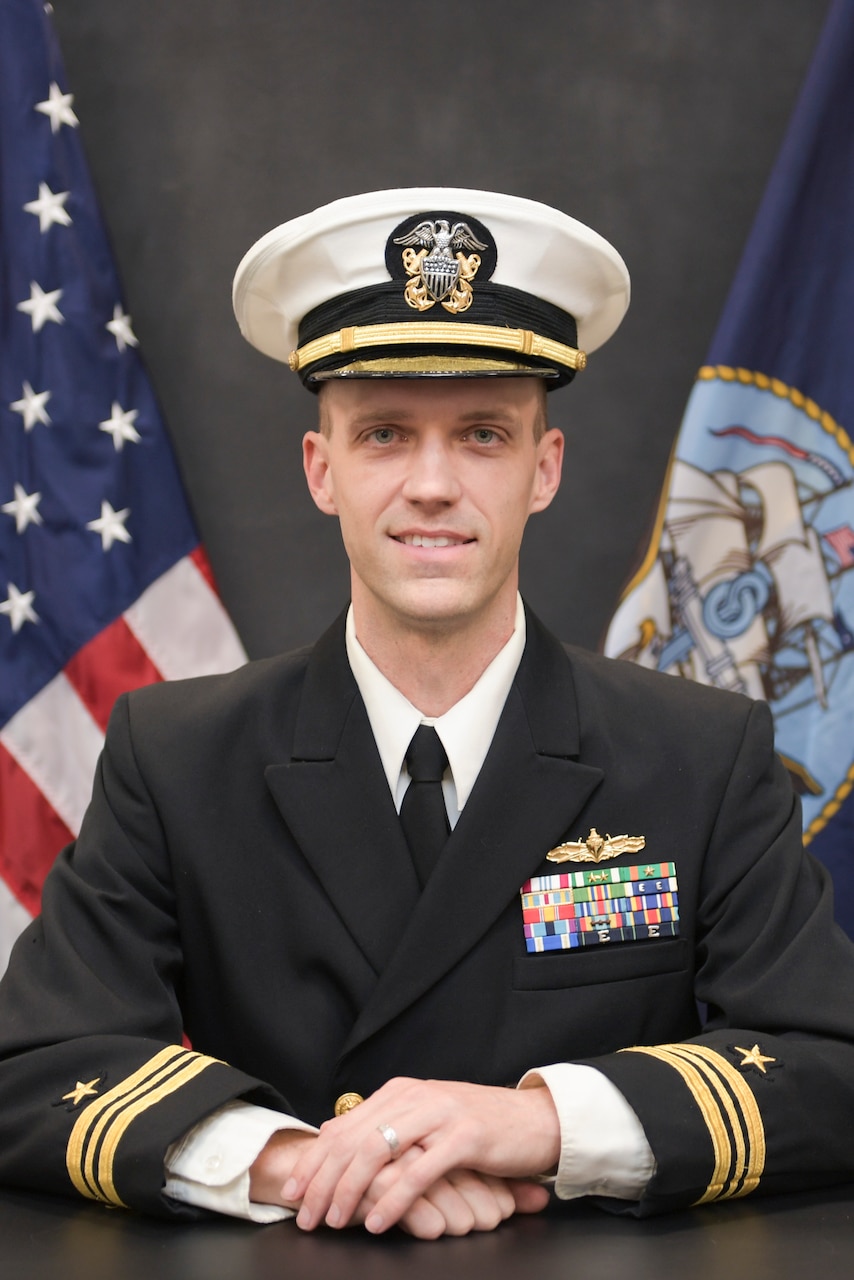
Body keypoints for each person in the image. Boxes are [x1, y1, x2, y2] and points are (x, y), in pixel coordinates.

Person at [1, 188, 854, 1238]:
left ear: (543, 469)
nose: (433, 484)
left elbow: (826, 1065)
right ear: (323, 471)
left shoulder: (698, 754)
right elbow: (35, 1067)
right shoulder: (176, 758)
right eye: (385, 434)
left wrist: (533, 1122)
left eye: (484, 434)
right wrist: (297, 1159)